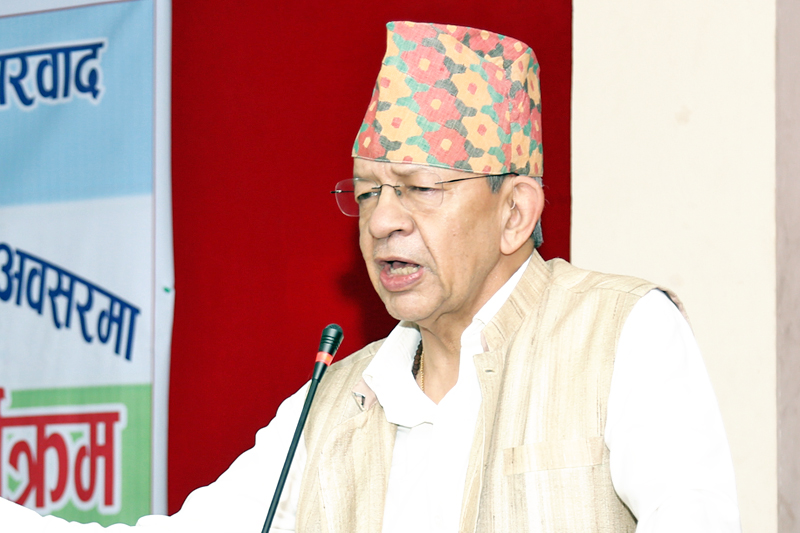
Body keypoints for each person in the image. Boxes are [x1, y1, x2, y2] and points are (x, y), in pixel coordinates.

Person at [1, 21, 740, 533]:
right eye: (366, 192)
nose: (383, 220)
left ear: (515, 212)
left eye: (419, 187)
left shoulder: (620, 335)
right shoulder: (337, 402)